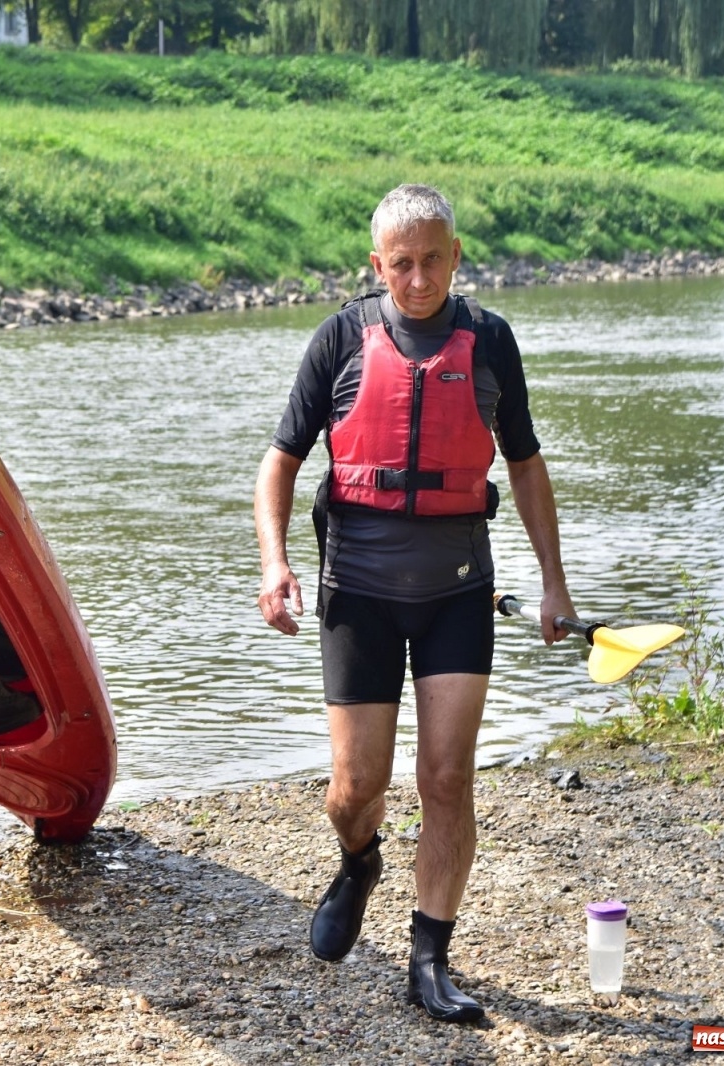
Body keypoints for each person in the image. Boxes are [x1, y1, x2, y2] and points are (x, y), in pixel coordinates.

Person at [253, 184, 575, 1023]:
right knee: (353, 788)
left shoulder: (492, 341)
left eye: (434, 258)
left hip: (457, 594)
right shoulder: (340, 339)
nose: (420, 276)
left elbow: (528, 465)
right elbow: (280, 462)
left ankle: (429, 959)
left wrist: (553, 582)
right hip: (356, 591)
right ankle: (360, 861)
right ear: (377, 265)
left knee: (445, 778)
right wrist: (275, 562)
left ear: (456, 256)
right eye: (402, 263)